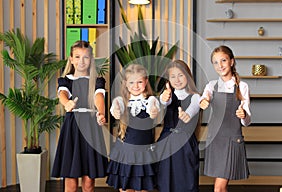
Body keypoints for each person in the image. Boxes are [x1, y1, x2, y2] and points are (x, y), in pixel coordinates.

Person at [51, 40, 108, 192]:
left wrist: (101, 113)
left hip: (91, 128)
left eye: (86, 57)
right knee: (71, 182)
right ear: (71, 59)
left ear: (91, 60)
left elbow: (99, 98)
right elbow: (62, 94)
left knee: (89, 182)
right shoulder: (66, 81)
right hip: (72, 130)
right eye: (77, 57)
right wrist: (66, 103)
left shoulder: (97, 81)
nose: (81, 61)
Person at [199, 45, 251, 192]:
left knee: (219, 187)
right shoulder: (211, 86)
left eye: (223, 60)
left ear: (231, 61)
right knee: (221, 186)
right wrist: (204, 101)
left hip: (231, 139)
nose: (220, 65)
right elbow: (204, 99)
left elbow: (247, 121)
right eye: (215, 62)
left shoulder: (242, 86)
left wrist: (244, 115)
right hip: (215, 139)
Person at [106, 63, 160, 192]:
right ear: (125, 83)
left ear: (146, 81)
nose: (136, 86)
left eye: (139, 82)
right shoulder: (120, 100)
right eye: (131, 82)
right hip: (125, 153)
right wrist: (116, 111)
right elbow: (114, 108)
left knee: (143, 188)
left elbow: (155, 108)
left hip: (144, 153)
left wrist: (153, 111)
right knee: (126, 188)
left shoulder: (151, 100)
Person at [156, 59, 201, 192]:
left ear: (188, 76)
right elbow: (163, 102)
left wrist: (186, 115)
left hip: (186, 143)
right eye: (173, 76)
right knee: (165, 180)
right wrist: (163, 98)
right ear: (168, 79)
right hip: (166, 143)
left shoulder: (196, 97)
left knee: (187, 181)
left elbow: (194, 108)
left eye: (181, 75)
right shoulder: (167, 96)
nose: (177, 79)